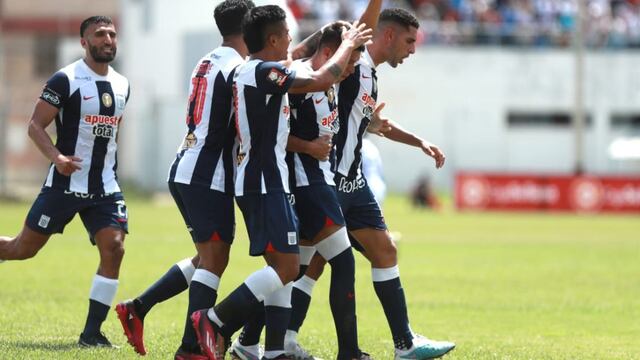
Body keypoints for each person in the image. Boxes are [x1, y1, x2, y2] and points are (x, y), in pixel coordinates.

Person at [190, 5, 372, 360]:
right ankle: (214, 321)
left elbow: (300, 57)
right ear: (272, 40)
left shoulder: (255, 69)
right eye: (286, 34)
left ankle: (272, 350)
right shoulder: (262, 72)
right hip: (264, 181)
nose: (292, 40)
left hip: (268, 181)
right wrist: (348, 43)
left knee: (285, 268)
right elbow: (321, 78)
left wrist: (326, 37)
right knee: (287, 269)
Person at [285, 7, 456, 360]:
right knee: (306, 265)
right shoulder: (354, 63)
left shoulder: (370, 75)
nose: (412, 49)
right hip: (328, 180)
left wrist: (419, 142)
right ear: (387, 35)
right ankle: (264, 337)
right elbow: (362, 24)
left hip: (353, 181)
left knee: (383, 252)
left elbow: (374, 124)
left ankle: (404, 343)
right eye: (409, 41)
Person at [114, 1, 255, 358]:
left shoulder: (208, 60)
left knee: (205, 257)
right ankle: (191, 348)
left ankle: (138, 307)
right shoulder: (240, 69)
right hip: (209, 174)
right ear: (250, 25)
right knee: (214, 259)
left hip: (186, 166)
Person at [0, 16, 130, 348]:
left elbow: (109, 134)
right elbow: (35, 126)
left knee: (114, 248)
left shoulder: (122, 84)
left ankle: (92, 335)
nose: (108, 39)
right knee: (21, 249)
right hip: (64, 185)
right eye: (100, 35)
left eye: (112, 34)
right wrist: (57, 158)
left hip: (104, 187)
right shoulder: (66, 79)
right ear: (84, 42)